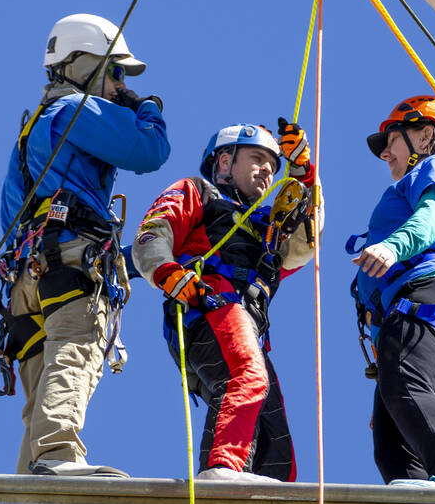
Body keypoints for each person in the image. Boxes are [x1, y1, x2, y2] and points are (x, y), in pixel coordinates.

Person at [0, 13, 170, 476]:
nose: (119, 85)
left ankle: (28, 484)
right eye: (114, 72)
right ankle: (57, 456)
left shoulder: (30, 132)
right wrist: (145, 107)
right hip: (70, 266)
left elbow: (9, 217)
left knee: (42, 387)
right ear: (82, 66)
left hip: (27, 280)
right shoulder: (77, 111)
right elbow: (150, 151)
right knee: (74, 352)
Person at [133, 122, 323, 482]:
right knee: (247, 377)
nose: (268, 168)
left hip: (245, 323)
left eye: (273, 162)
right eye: (257, 157)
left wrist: (303, 174)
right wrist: (168, 273)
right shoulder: (199, 192)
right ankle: (222, 469)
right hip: (210, 306)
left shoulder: (268, 225)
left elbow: (302, 247)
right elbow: (152, 234)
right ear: (224, 162)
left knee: (272, 432)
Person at [350, 95, 435, 488]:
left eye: (392, 139)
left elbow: (434, 214)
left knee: (404, 381)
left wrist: (393, 246)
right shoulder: (422, 175)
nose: (386, 154)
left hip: (432, 302)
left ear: (426, 136)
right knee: (391, 439)